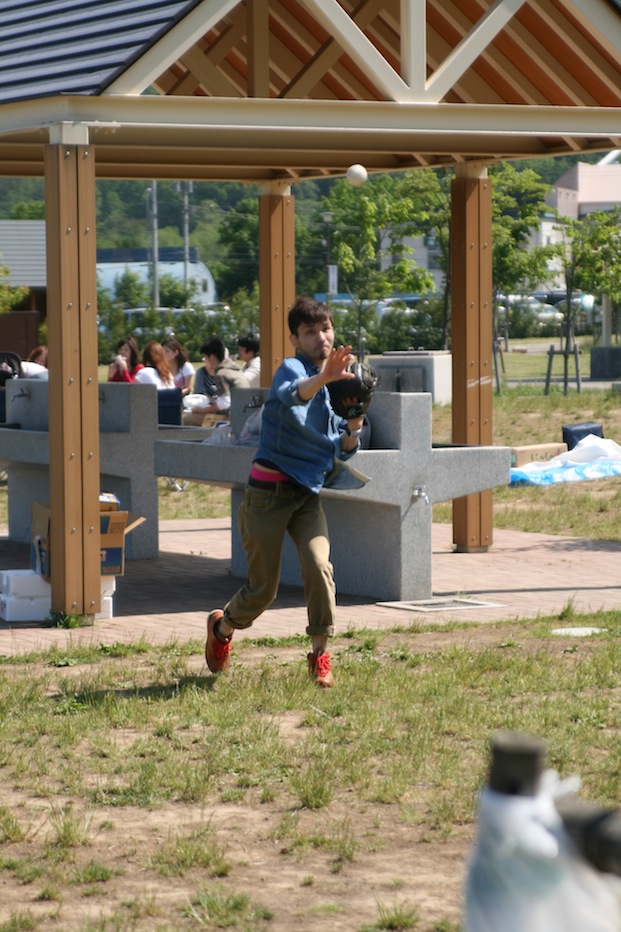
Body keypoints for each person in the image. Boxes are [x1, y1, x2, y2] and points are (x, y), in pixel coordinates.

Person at [205, 296, 365, 689]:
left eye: (325, 328)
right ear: (295, 338)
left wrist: (354, 425)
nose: (321, 337)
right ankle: (222, 628)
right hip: (267, 495)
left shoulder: (338, 381)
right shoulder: (290, 370)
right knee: (263, 590)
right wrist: (325, 376)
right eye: (310, 331)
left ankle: (320, 655)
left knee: (319, 567)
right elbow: (297, 393)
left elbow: (341, 447)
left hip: (306, 496)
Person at [183, 337, 249, 425]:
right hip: (244, 416)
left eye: (205, 358)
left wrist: (202, 410)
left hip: (232, 419)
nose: (204, 361)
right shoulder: (235, 369)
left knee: (185, 418)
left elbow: (224, 403)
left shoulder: (221, 374)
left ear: (212, 357)